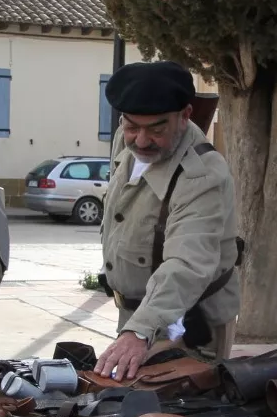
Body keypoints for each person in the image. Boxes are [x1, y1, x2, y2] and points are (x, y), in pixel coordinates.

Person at [96, 60, 241, 381]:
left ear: (185, 115)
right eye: (132, 126)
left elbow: (187, 264)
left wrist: (140, 330)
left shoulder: (201, 175)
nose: (141, 141)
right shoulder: (126, 137)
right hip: (138, 315)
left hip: (187, 323)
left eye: (157, 129)